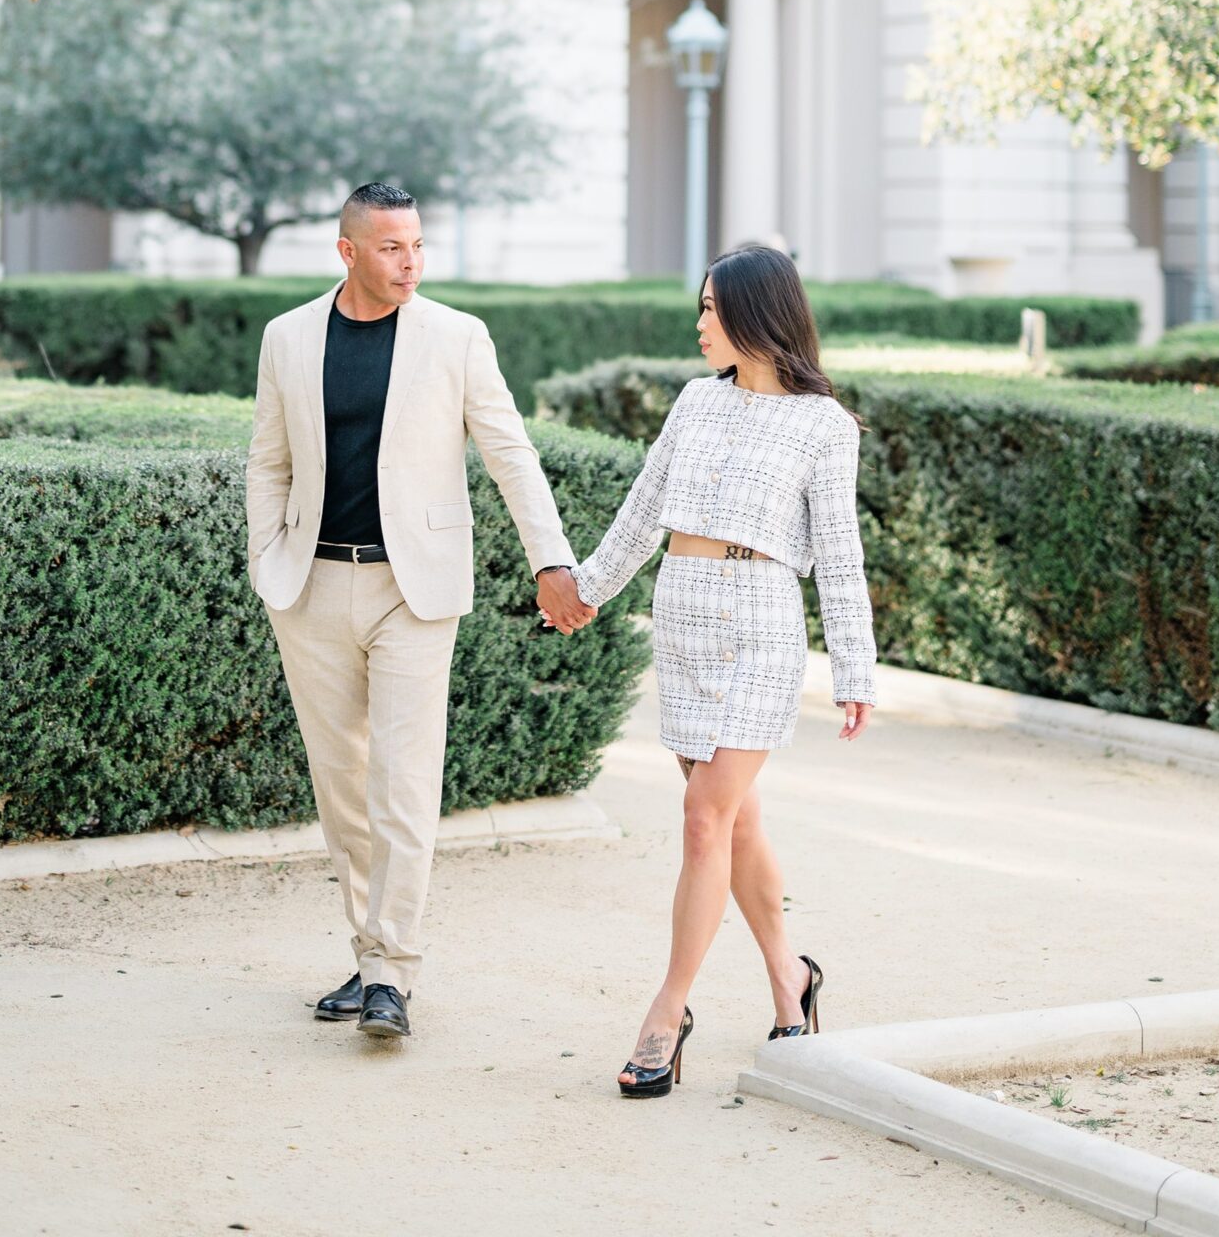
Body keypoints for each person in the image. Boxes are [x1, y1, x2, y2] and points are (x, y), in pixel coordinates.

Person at [245, 180, 593, 1043]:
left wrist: (550, 559)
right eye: (392, 247)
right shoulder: (288, 337)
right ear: (349, 251)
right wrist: (266, 558)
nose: (411, 261)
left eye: (418, 246)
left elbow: (510, 453)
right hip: (313, 586)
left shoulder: (456, 337)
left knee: (402, 781)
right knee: (341, 789)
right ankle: (370, 956)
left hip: (415, 589)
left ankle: (391, 971)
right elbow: (268, 462)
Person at [566, 244, 876, 1098]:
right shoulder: (695, 404)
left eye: (710, 309)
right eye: (698, 309)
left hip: (765, 624)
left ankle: (667, 1015)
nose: (699, 325)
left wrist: (856, 666)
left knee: (703, 818)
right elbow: (642, 508)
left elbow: (840, 558)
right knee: (734, 825)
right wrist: (586, 590)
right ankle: (791, 978)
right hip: (685, 617)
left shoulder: (823, 426)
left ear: (754, 314)